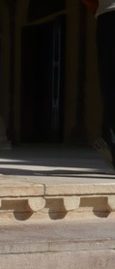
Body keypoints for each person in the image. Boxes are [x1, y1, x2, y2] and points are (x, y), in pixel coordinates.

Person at [83, 0, 115, 169]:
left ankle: (108, 136)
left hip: (107, 16)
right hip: (109, 14)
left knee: (110, 83)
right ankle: (109, 137)